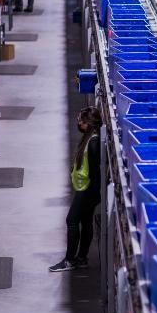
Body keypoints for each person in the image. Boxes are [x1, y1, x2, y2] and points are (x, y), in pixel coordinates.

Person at [49, 107, 102, 272]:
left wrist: (94, 194)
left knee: (71, 220)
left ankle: (69, 260)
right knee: (86, 222)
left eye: (81, 121)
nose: (78, 123)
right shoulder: (89, 139)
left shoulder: (92, 143)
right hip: (86, 189)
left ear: (89, 124)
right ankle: (82, 258)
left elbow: (95, 172)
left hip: (87, 190)